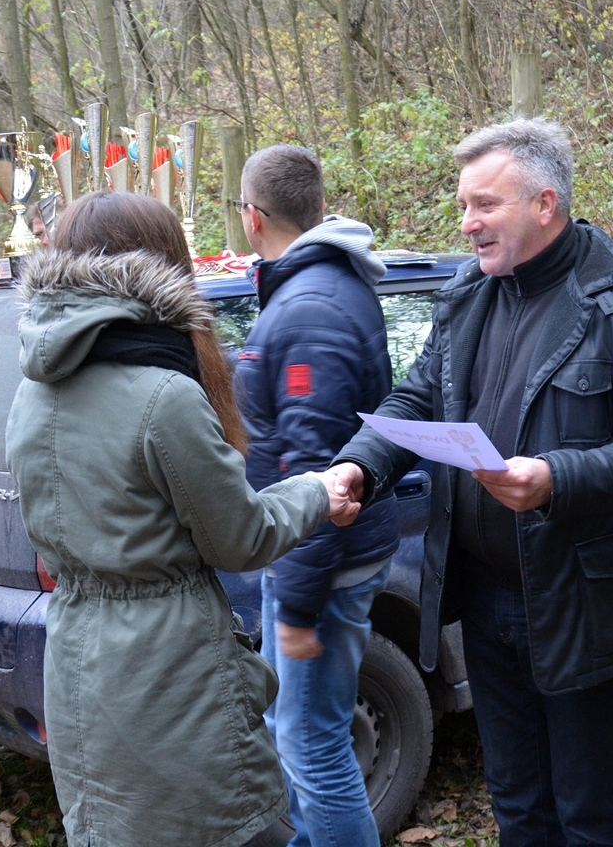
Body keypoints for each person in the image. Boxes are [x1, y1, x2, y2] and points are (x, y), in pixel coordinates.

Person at [324, 118, 613, 847]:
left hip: (580, 599)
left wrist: (556, 478)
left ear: (544, 204)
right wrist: (358, 466)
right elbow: (416, 399)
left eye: (485, 205)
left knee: (589, 818)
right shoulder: (467, 294)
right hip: (482, 599)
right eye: (464, 205)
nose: (467, 223)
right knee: (518, 807)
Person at [5, 192, 361, 847]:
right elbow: (242, 538)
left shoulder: (31, 390)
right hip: (166, 673)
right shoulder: (164, 395)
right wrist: (316, 491)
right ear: (165, 265)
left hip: (77, 659)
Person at [233, 145, 397, 847]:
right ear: (318, 206)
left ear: (253, 217)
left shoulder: (309, 310)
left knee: (314, 746)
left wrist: (299, 606)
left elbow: (319, 468)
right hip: (306, 556)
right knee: (292, 731)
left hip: (322, 563)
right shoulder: (312, 290)